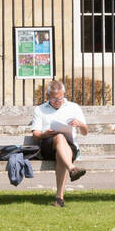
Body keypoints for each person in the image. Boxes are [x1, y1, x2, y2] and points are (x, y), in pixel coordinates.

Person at [29, 79, 89, 207]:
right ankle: (71, 169)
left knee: (62, 149)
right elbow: (35, 135)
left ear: (64, 94)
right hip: (47, 146)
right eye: (54, 100)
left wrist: (80, 124)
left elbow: (85, 132)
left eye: (60, 99)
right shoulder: (40, 110)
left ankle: (59, 199)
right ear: (48, 96)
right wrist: (45, 134)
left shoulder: (73, 107)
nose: (57, 102)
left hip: (69, 148)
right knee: (59, 137)